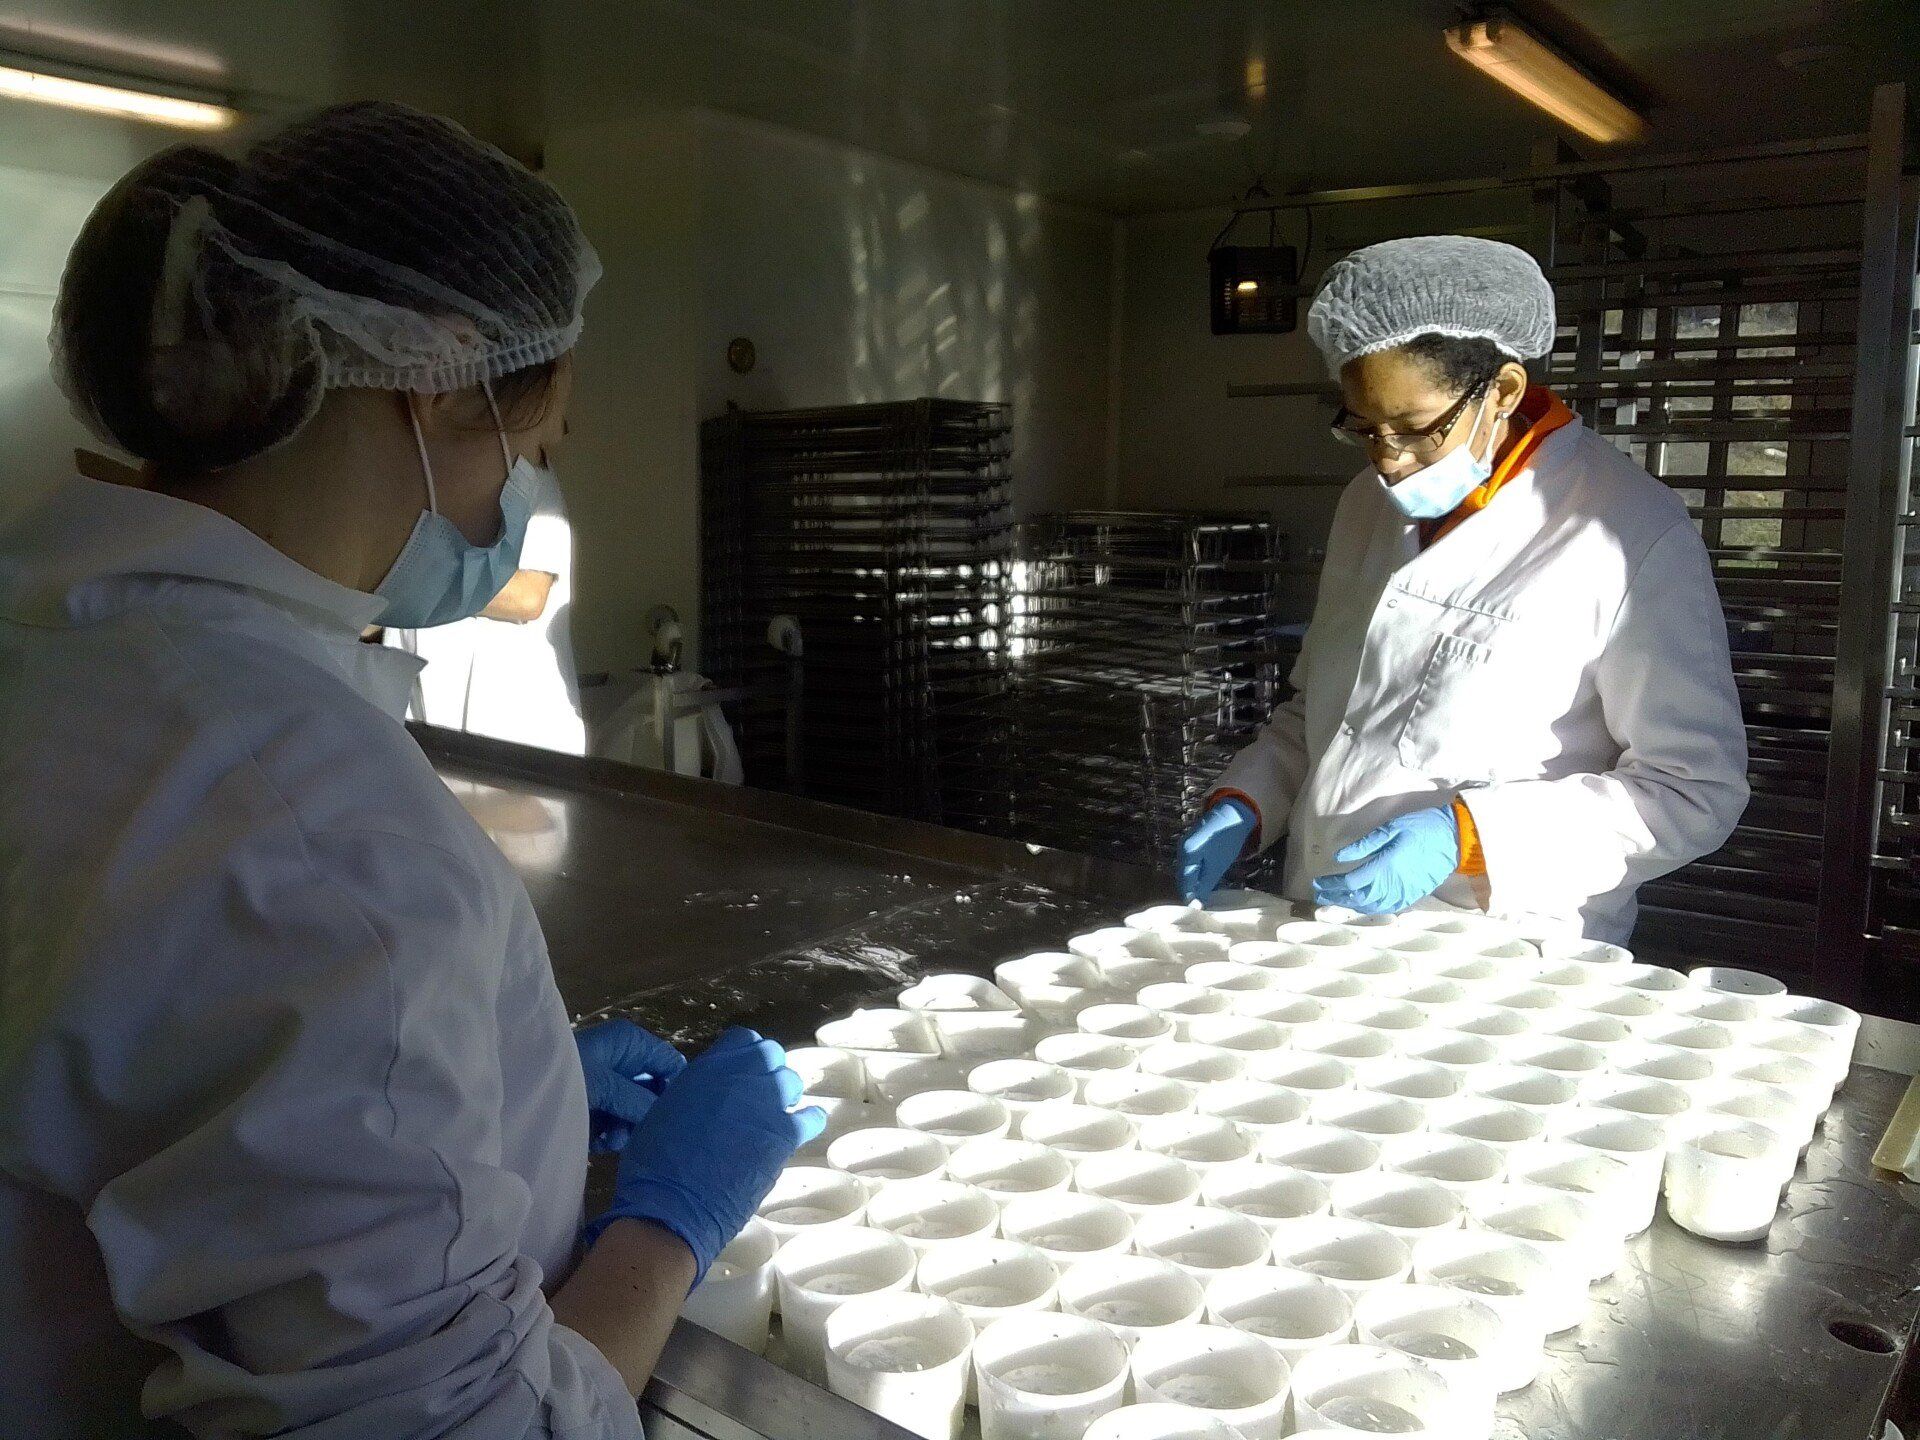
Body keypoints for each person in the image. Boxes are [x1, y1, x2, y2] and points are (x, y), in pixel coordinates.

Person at [0, 101, 821, 1438]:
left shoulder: (55, 643)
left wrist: (517, 1094)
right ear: (434, 380)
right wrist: (667, 1228)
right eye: (528, 445)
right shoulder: (305, 825)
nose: (513, 495)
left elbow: (165, 1058)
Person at [1179, 235, 1749, 941]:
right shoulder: (1364, 505)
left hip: (1498, 956)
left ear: (1503, 391)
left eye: (1417, 429)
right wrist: (1250, 796)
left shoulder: (1626, 531)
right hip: (1320, 927)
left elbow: (1692, 791)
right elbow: (1326, 712)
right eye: (1364, 429)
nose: (1388, 461)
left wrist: (1472, 838)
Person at [385, 458, 590, 755]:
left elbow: (528, 597)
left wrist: (416, 580)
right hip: (424, 734)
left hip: (516, 740)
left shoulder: (529, 476)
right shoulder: (408, 483)